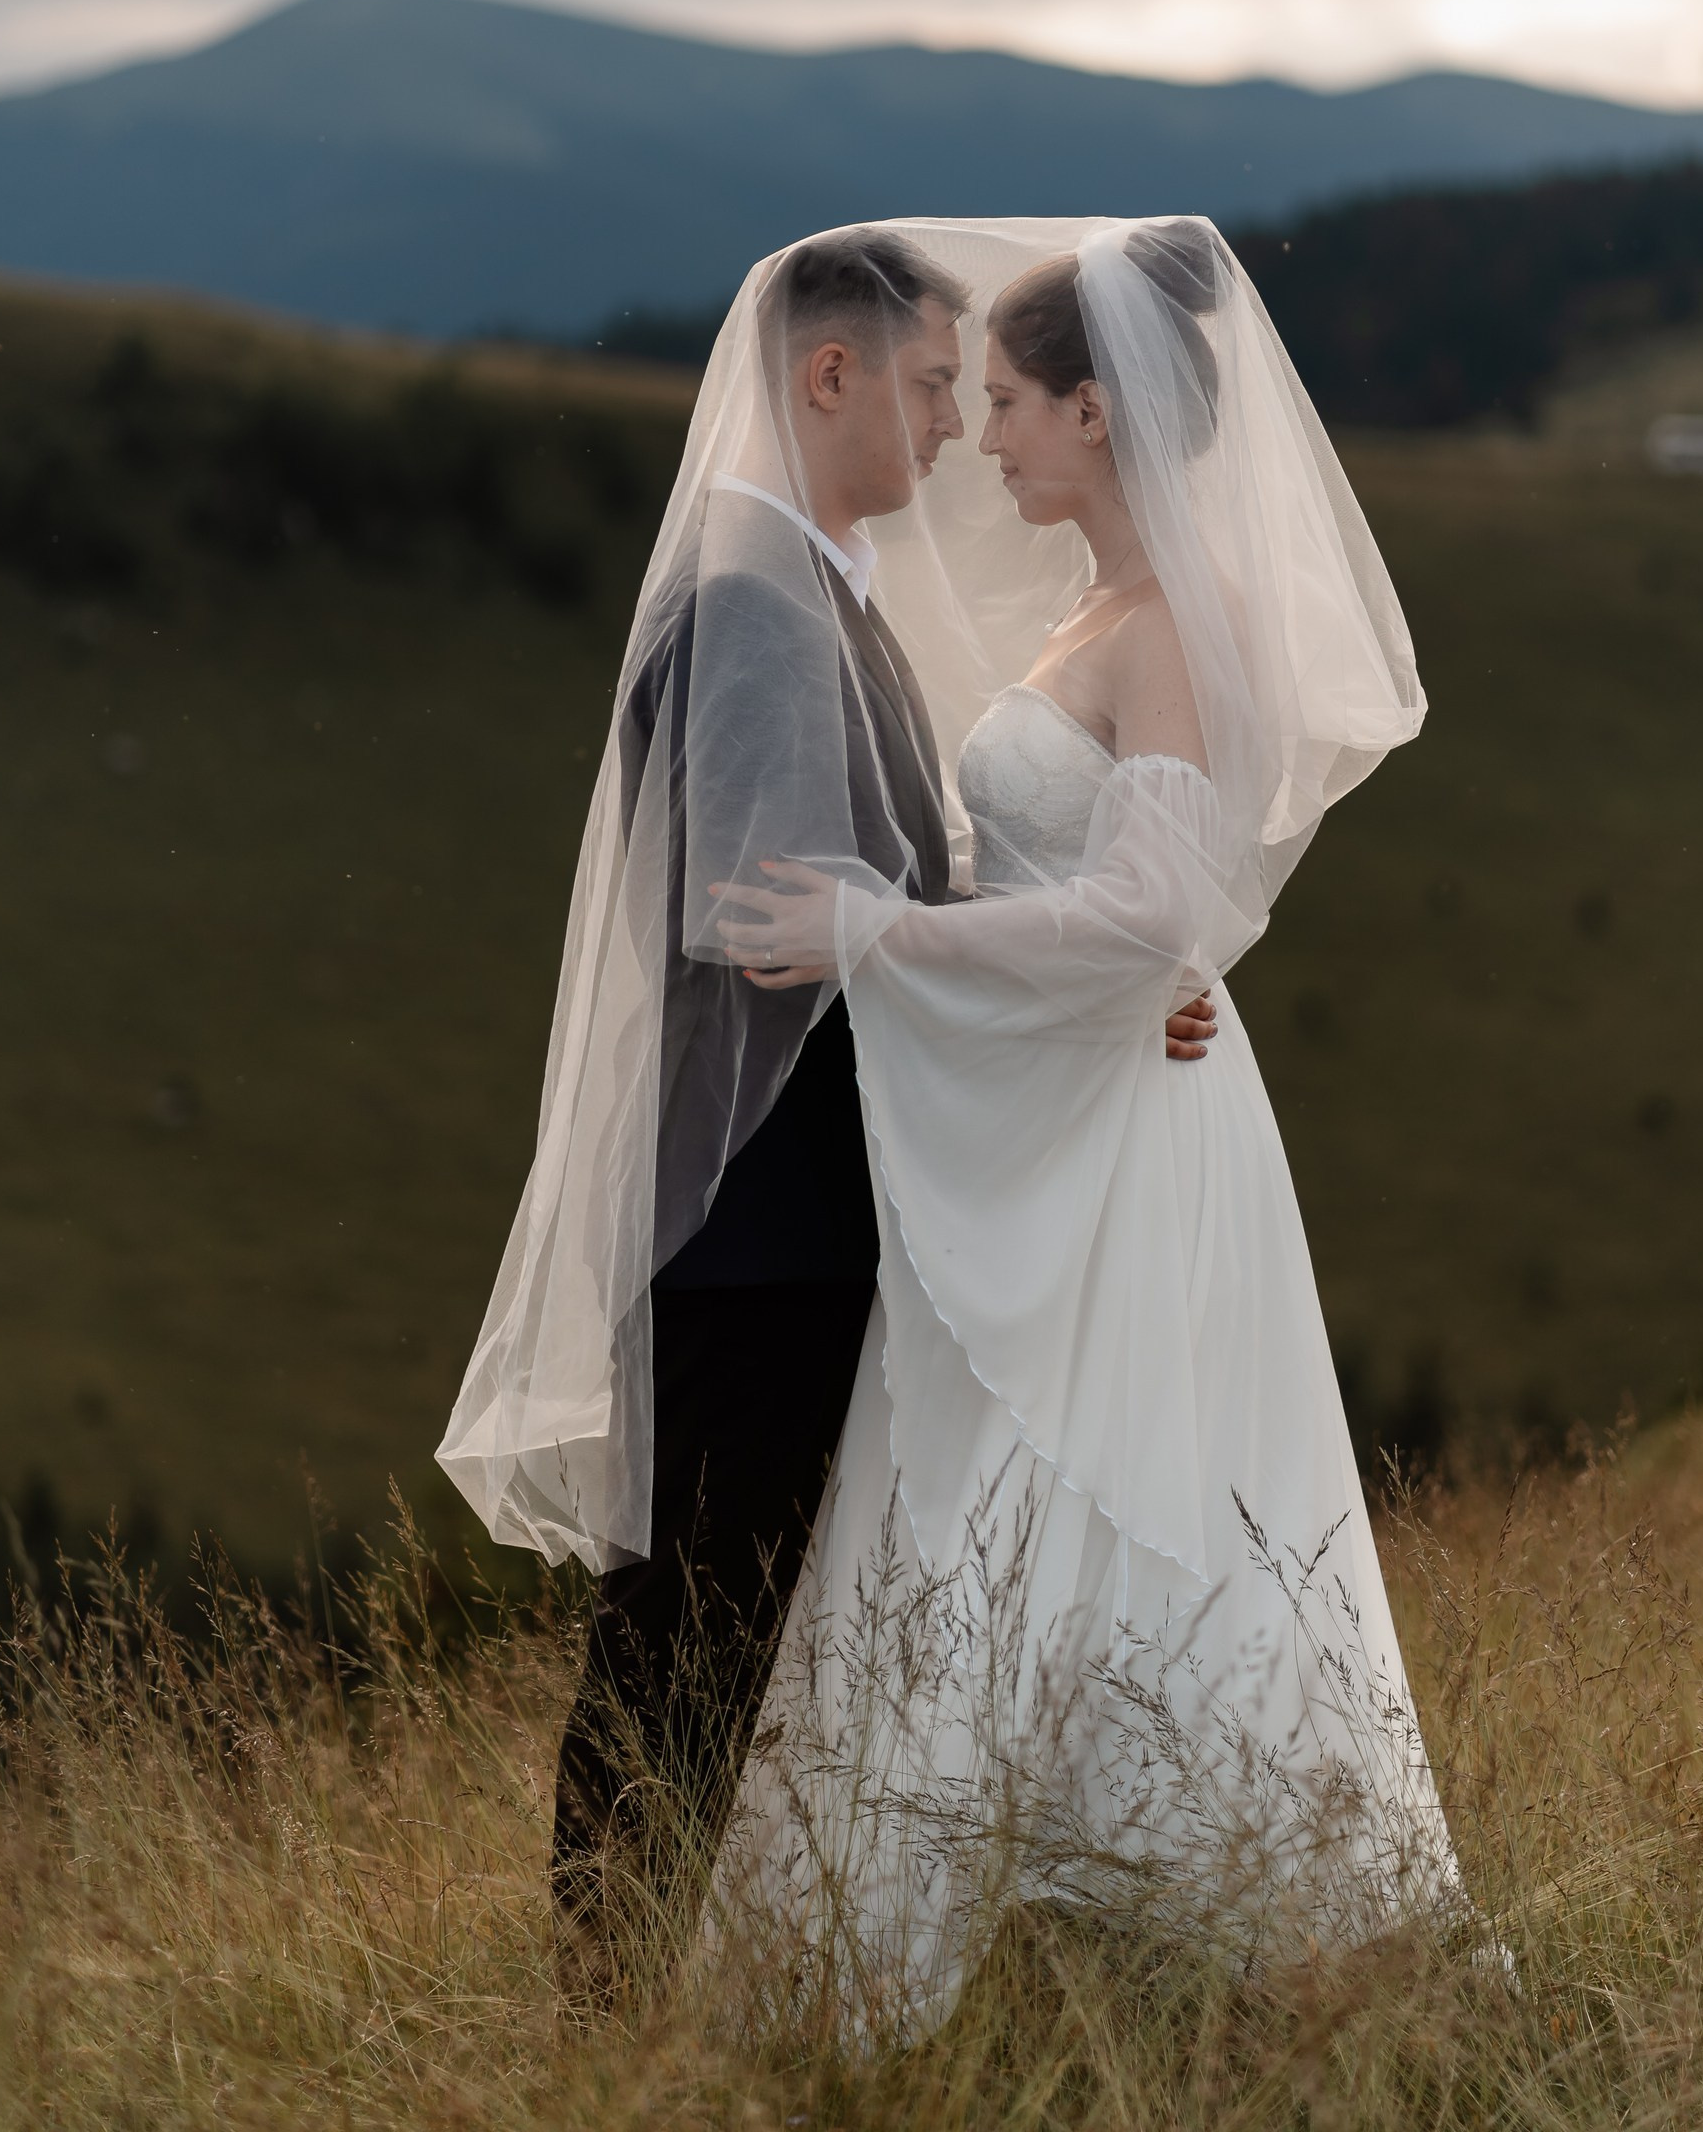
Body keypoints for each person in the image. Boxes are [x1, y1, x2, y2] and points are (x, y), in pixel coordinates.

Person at [435, 227, 1214, 1990]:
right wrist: (1069, 973)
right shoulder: (760, 597)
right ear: (828, 375)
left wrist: (1096, 986)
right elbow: (777, 919)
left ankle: (640, 1977)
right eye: (935, 385)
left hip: (797, 1207)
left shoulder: (810, 581)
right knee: (692, 1632)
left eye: (974, 394)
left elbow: (864, 906)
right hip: (757, 1208)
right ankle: (604, 1992)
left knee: (722, 1624)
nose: (952, 428)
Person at [706, 218, 1460, 2025]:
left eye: (1017, 402)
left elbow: (1156, 918)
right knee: (1003, 1493)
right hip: (1072, 1114)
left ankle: (1179, 1923)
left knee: (1111, 1494)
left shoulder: (1182, 625)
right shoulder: (1097, 614)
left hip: (1133, 1138)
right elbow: (1113, 889)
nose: (985, 434)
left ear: (1103, 415)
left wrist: (878, 934)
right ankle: (1014, 1941)